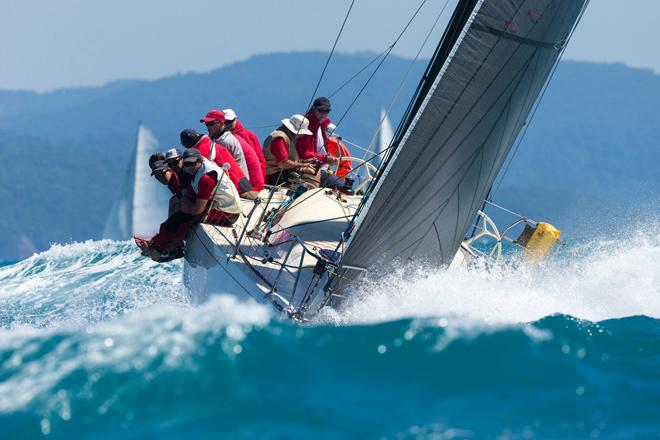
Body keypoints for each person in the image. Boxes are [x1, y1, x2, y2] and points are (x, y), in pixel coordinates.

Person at [134, 148, 241, 261]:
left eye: (191, 163)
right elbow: (188, 198)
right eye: (171, 164)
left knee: (181, 221)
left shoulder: (205, 177)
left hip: (227, 214)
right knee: (177, 218)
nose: (188, 167)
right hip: (213, 207)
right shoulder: (192, 173)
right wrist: (187, 205)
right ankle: (159, 245)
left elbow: (196, 210)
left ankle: (159, 248)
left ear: (199, 161)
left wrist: (187, 206)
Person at [180, 129, 256, 198]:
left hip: (233, 185)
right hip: (241, 179)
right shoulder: (209, 143)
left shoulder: (200, 152)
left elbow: (200, 175)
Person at [295, 97, 341, 188]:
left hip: (321, 166)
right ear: (313, 108)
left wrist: (327, 156)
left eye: (326, 111)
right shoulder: (306, 125)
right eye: (320, 110)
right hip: (309, 167)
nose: (323, 114)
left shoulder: (321, 125)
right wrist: (325, 158)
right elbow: (302, 153)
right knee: (341, 186)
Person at [262, 114, 318, 186]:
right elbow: (282, 163)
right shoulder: (280, 138)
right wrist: (303, 165)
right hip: (271, 176)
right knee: (303, 186)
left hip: (278, 174)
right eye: (301, 133)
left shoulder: (286, 137)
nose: (302, 135)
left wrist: (304, 161)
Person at [221, 109, 264, 191]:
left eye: (229, 121)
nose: (227, 125)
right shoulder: (228, 137)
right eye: (224, 122)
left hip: (251, 182)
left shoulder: (244, 136)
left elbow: (257, 160)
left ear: (235, 120)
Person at [200, 110, 249, 177]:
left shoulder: (225, 142)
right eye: (206, 124)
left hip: (236, 182)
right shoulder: (218, 136)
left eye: (211, 124)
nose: (208, 127)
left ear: (221, 123)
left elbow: (220, 167)